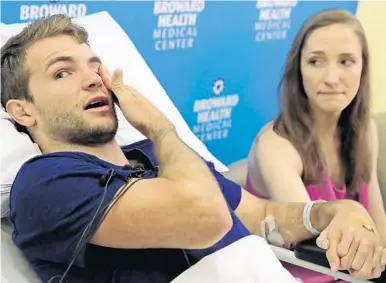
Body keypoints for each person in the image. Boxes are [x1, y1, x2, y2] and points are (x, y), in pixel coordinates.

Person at [1, 14, 385, 283]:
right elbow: (207, 217)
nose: (91, 80)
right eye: (62, 72)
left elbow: (261, 215)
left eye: (93, 66)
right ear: (23, 110)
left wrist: (337, 212)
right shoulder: (45, 182)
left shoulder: (153, 155)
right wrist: (157, 124)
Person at [246, 8, 386, 282]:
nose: (332, 78)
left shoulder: (365, 129)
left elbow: (377, 217)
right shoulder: (275, 146)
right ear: (298, 69)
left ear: (362, 68)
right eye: (316, 61)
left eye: (346, 61)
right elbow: (321, 246)